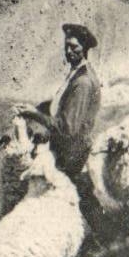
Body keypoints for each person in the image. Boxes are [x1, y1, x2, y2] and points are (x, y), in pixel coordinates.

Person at [34, 23, 102, 180]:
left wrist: (34, 114)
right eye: (66, 47)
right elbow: (66, 102)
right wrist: (42, 107)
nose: (68, 51)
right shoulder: (77, 73)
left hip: (71, 156)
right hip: (68, 149)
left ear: (84, 48)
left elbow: (67, 128)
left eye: (74, 47)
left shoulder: (83, 82)